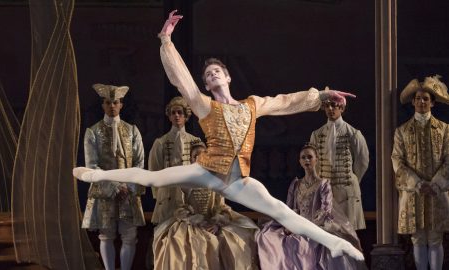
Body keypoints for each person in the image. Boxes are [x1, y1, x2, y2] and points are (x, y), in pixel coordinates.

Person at [74, 10, 364, 261]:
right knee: (151, 177)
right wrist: (166, 42)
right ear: (208, 85)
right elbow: (183, 82)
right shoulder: (204, 106)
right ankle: (95, 175)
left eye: (217, 71)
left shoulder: (252, 105)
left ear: (227, 77)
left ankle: (335, 244)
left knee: (278, 209)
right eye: (208, 75)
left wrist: (322, 94)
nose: (212, 75)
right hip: (207, 170)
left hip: (238, 180)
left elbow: (285, 101)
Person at [256, 143, 366, 270]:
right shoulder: (296, 184)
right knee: (268, 236)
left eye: (309, 157)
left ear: (316, 159)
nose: (306, 160)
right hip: (296, 224)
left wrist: (306, 227)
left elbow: (325, 211)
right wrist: (290, 225)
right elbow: (289, 209)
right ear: (299, 161)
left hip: (317, 225)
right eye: (303, 157)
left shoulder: (323, 184)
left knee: (313, 244)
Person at [153, 142, 259, 269]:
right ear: (191, 159)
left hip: (212, 220)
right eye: (195, 156)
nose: (198, 158)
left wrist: (217, 223)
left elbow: (221, 206)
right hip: (190, 223)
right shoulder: (184, 181)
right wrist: (196, 220)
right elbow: (180, 207)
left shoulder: (216, 180)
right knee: (182, 243)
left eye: (202, 155)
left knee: (236, 240)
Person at [81, 84, 146, 270]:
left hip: (129, 191)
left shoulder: (132, 130)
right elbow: (91, 166)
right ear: (102, 105)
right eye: (108, 102)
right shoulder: (92, 132)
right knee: (106, 235)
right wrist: (115, 187)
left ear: (121, 105)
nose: (112, 106)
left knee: (129, 236)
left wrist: (127, 186)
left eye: (115, 102)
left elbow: (140, 162)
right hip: (105, 191)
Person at [391, 75, 449, 270]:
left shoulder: (445, 130)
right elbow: (397, 160)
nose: (421, 102)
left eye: (425, 99)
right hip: (412, 192)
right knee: (417, 238)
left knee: (435, 238)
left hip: (437, 191)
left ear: (432, 103)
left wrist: (436, 183)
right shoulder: (402, 131)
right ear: (413, 102)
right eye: (418, 98)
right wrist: (416, 183)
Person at [310, 97, 369, 230]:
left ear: (341, 108)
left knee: (347, 233)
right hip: (325, 191)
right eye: (327, 106)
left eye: (334, 105)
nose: (330, 109)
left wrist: (351, 179)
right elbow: (315, 164)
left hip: (346, 191)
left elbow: (362, 161)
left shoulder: (353, 133)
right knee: (326, 232)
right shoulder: (317, 134)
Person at [149, 96, 202, 225]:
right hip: (168, 194)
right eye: (173, 113)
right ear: (169, 116)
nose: (177, 116)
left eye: (180, 112)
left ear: (186, 115)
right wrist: (159, 196)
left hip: (190, 194)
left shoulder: (196, 141)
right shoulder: (161, 143)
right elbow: (154, 170)